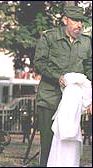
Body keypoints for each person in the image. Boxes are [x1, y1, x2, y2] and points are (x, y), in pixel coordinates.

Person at [33, 6, 92, 167]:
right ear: (65, 20)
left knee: (69, 144)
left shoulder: (86, 42)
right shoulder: (49, 37)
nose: (79, 25)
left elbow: (90, 69)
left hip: (72, 103)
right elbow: (39, 63)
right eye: (75, 20)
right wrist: (57, 77)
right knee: (48, 144)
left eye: (81, 21)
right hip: (49, 99)